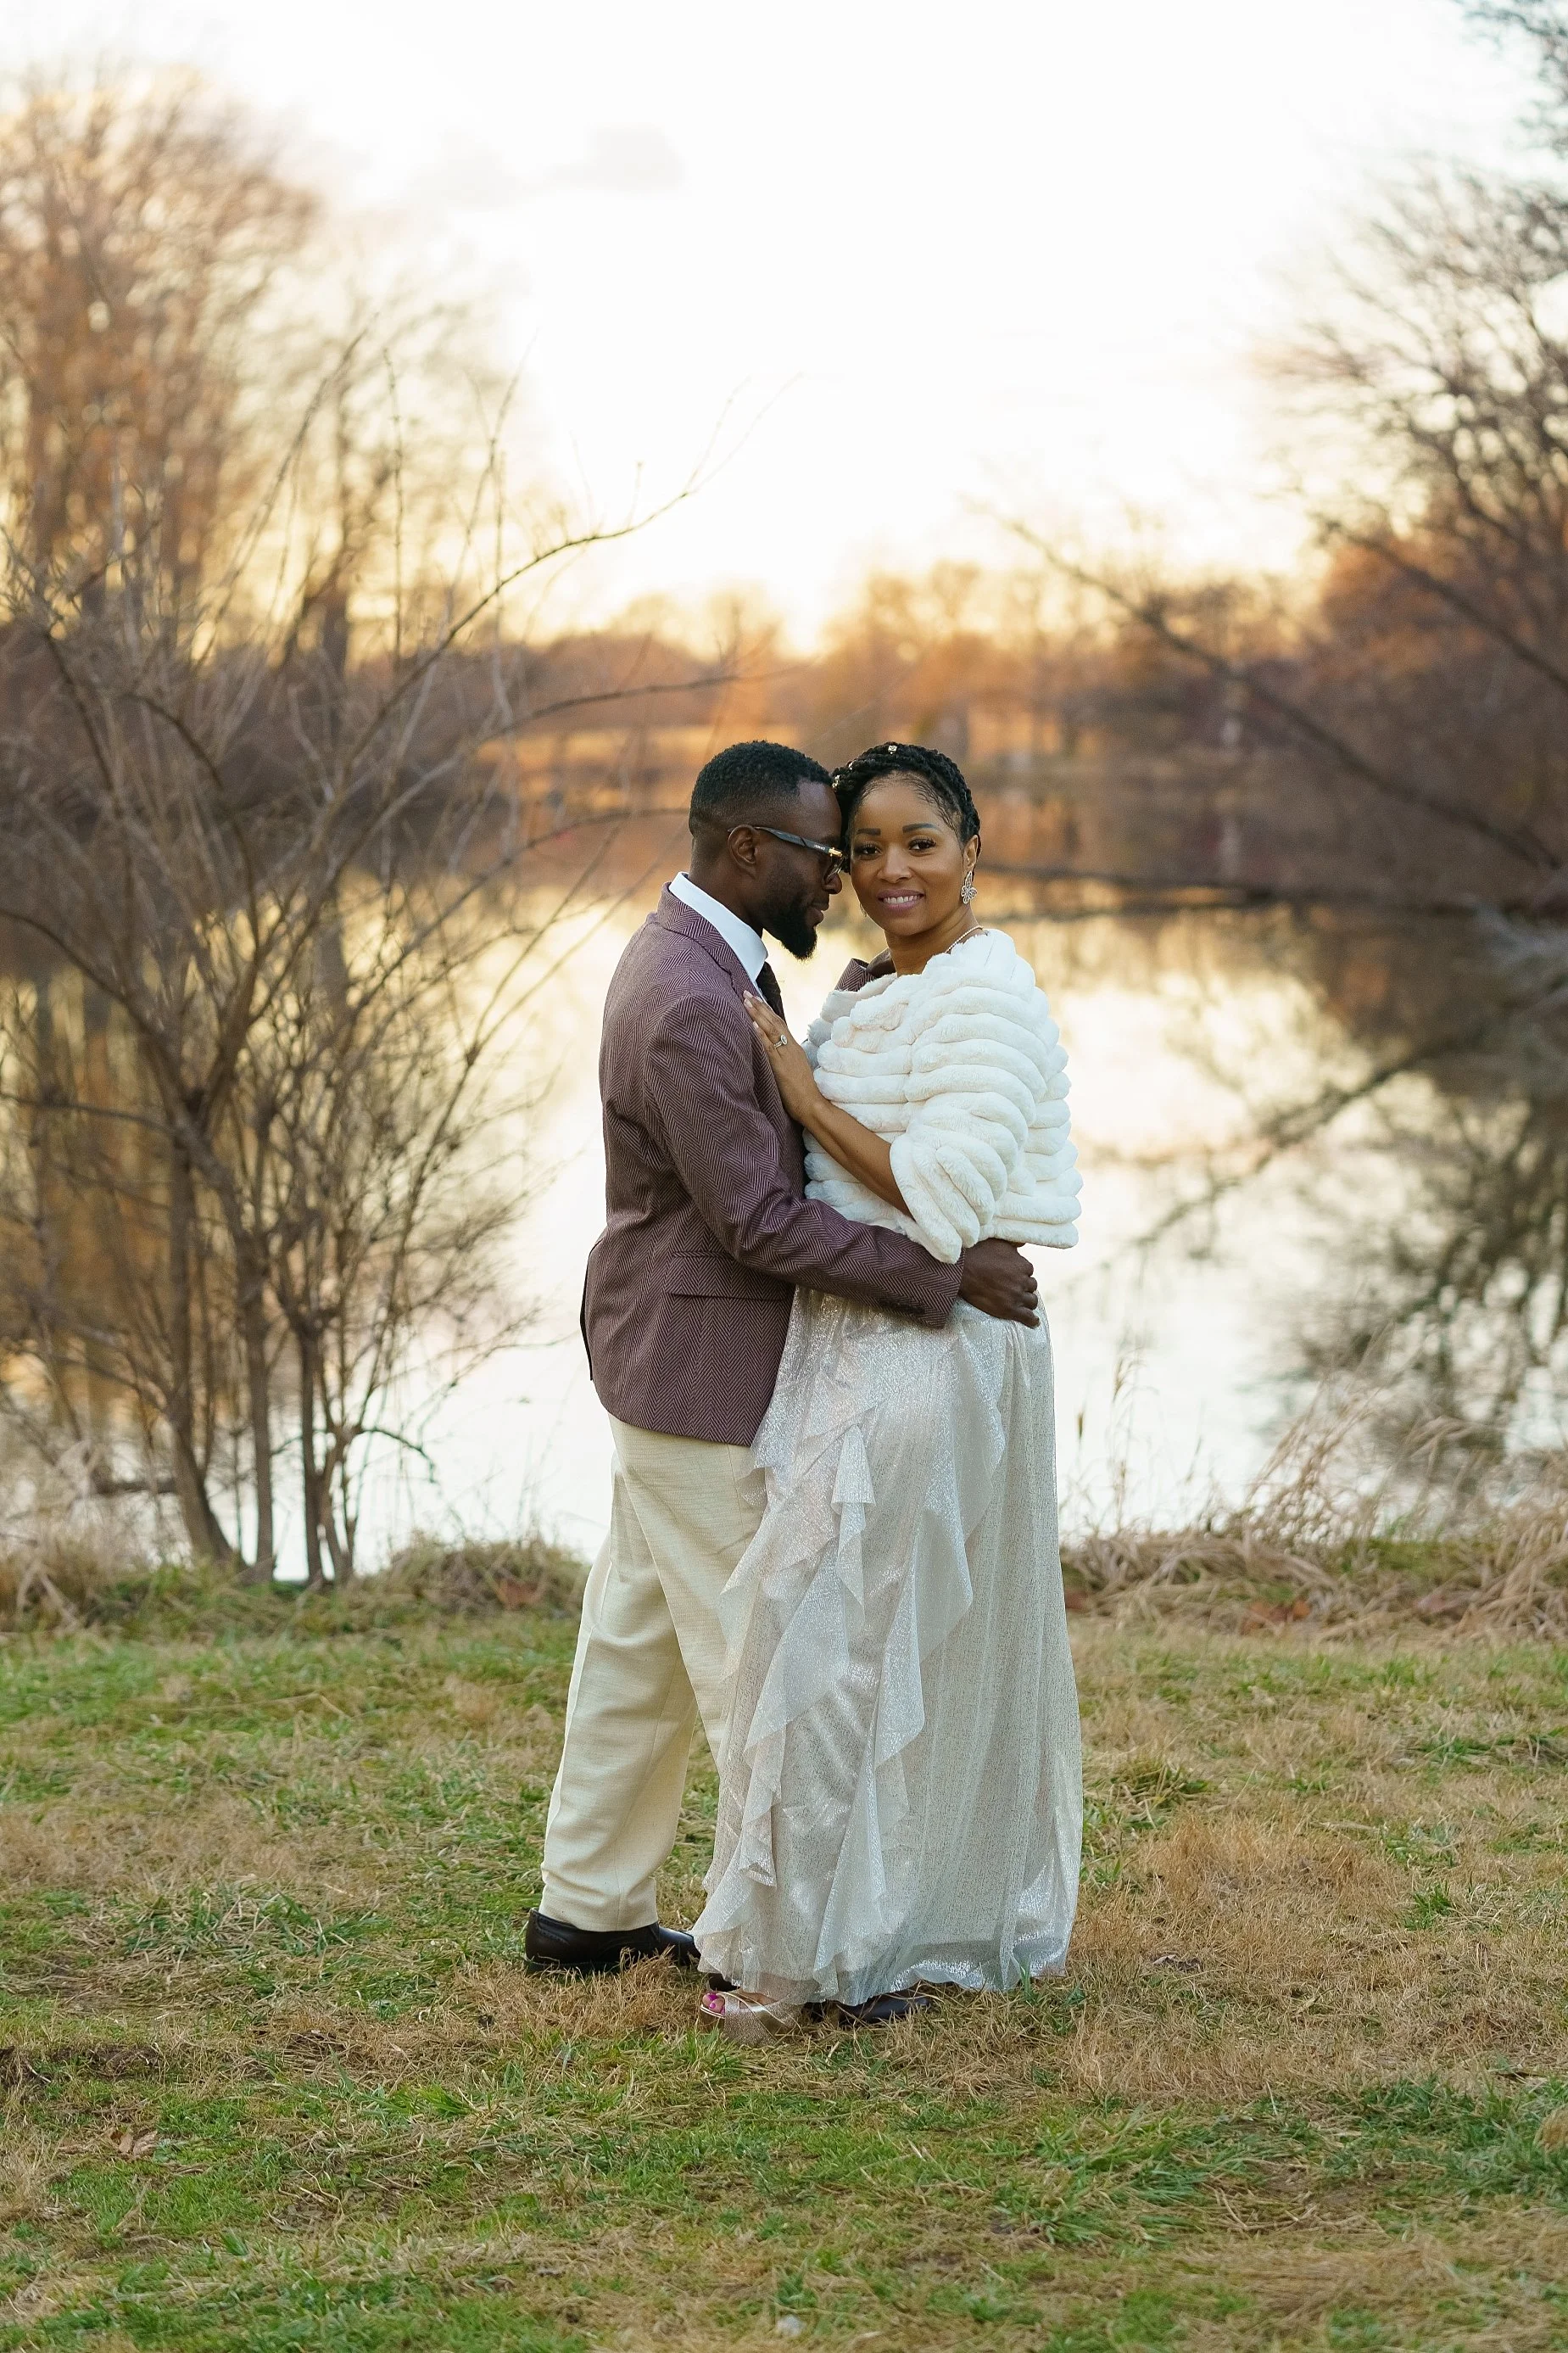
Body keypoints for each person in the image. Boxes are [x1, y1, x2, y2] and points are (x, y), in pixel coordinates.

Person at [525, 740, 1039, 1987]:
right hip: (697, 1368)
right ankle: (792, 1955)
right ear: (749, 850)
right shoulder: (687, 995)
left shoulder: (714, 957)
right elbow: (755, 1218)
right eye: (828, 855)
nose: (844, 882)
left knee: (637, 1643)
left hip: (668, 1356)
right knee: (769, 1664)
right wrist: (945, 1272)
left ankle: (586, 1911)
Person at [692, 741, 1082, 2038]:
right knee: (832, 1627)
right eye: (865, 849)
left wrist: (798, 1082)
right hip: (859, 1335)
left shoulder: (987, 1001)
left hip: (931, 1357)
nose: (891, 869)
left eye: (920, 841)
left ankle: (844, 1954)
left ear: (974, 847)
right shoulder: (879, 989)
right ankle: (827, 1935)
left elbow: (941, 1192)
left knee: (861, 1641)